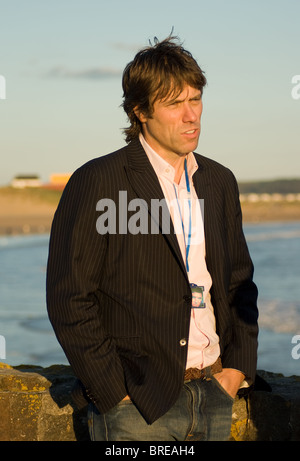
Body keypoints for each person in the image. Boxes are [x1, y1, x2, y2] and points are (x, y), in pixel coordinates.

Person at [46, 36, 259, 441]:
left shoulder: (218, 181)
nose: (191, 115)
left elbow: (238, 281)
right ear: (140, 111)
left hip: (214, 392)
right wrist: (114, 393)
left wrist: (236, 370)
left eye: (195, 100)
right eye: (175, 104)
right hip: (137, 408)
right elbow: (69, 296)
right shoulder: (99, 181)